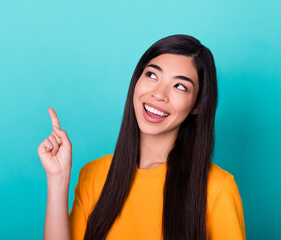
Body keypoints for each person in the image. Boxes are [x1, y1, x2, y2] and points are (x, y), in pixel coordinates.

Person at [38, 34, 246, 240]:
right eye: (152, 75)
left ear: (197, 105)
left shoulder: (218, 188)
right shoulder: (93, 175)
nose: (159, 94)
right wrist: (58, 179)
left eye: (180, 86)